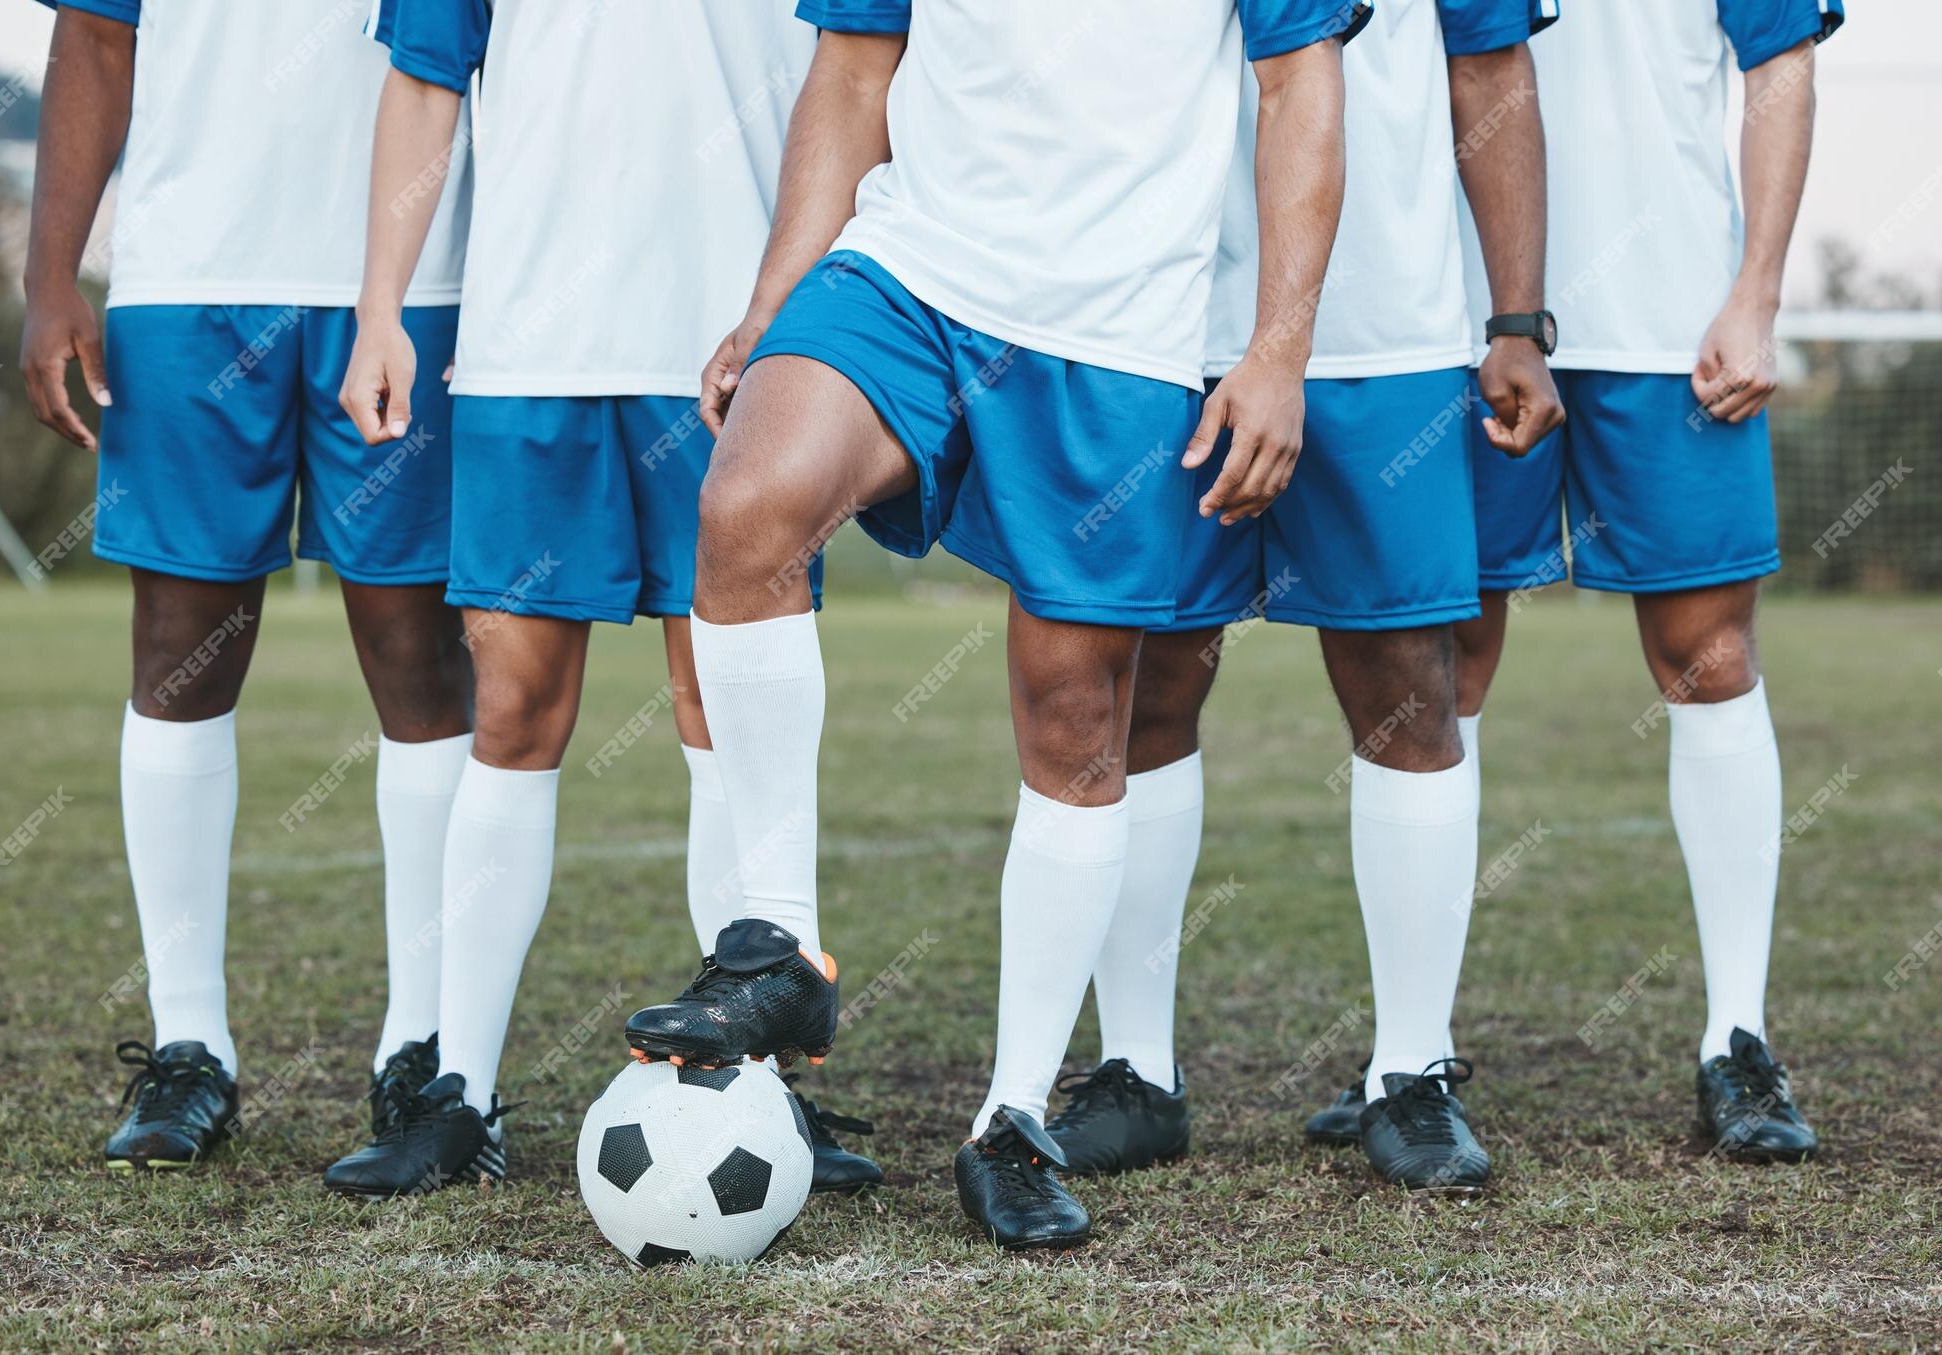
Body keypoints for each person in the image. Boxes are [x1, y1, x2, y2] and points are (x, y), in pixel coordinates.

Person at [619, 0, 1365, 1248]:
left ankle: (1011, 1114)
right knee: (747, 506)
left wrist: (1276, 349)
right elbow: (855, 68)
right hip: (907, 270)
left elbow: (1300, 86)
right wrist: (772, 300)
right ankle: (777, 944)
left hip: (1113, 325)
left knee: (1075, 721)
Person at [322, 0, 876, 1198]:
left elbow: (861, 69)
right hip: (532, 341)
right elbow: (424, 80)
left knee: (720, 709)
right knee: (512, 711)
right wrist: (382, 308)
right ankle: (456, 1089)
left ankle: (760, 1079)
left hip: (738, 345)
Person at [1048, 0, 1564, 1192]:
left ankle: (1410, 1069)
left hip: (1386, 333)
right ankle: (1136, 1072)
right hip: (1159, 320)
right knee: (1148, 681)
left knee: (1406, 686)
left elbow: (1489, 69)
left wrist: (1515, 321)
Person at [20, 0, 472, 1171]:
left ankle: (425, 1049)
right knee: (181, 648)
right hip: (189, 270)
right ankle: (189, 1047)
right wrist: (49, 277)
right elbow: (95, 37)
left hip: (410, 271)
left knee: (418, 653)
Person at [1448, 0, 1843, 1163]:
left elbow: (1780, 68)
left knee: (1706, 660)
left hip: (1673, 321)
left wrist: (1754, 291)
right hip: (1465, 319)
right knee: (1435, 661)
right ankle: (1405, 1054)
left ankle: (1736, 1037)